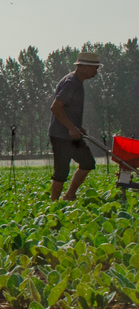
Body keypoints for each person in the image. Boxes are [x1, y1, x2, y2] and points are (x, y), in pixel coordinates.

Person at [49, 51, 101, 201]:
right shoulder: (71, 82)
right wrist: (71, 127)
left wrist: (78, 127)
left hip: (71, 134)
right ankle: (53, 204)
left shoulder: (77, 82)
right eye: (95, 68)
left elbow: (67, 110)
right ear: (84, 67)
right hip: (61, 135)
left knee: (87, 162)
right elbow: (56, 107)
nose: (96, 72)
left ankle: (69, 195)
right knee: (61, 171)